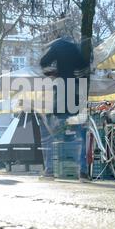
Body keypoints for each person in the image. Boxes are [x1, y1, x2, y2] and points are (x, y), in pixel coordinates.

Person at [39, 33, 89, 181]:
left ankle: (50, 169)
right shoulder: (74, 47)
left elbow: (43, 62)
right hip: (75, 93)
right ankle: (83, 171)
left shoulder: (57, 46)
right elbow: (83, 66)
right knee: (79, 134)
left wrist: (54, 73)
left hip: (61, 94)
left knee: (53, 134)